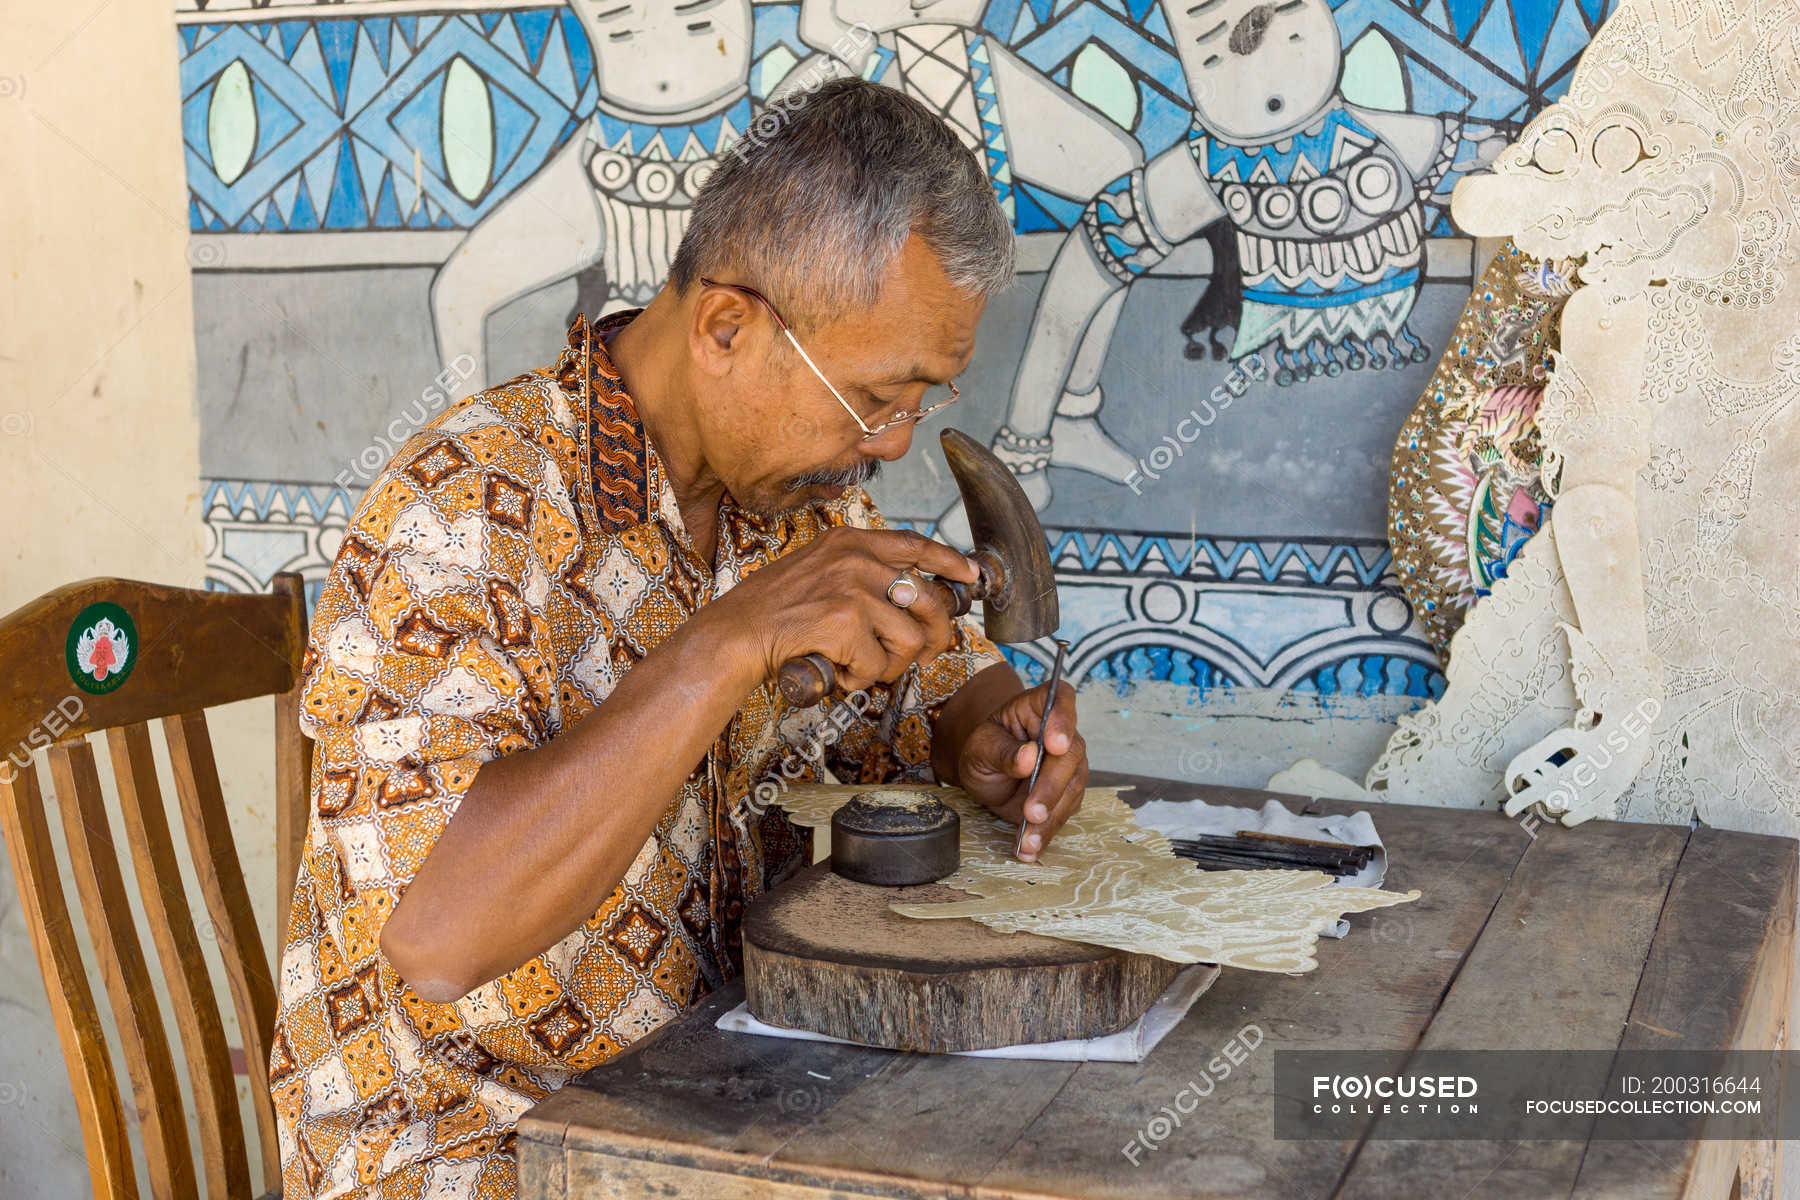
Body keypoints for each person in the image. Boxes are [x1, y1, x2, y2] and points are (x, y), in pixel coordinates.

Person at [271, 78, 1090, 1199]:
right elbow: (441, 935)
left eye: (922, 404)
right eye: (877, 399)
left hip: (723, 1105)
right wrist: (723, 645)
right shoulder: (463, 510)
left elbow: (940, 698)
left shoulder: (801, 500)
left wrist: (991, 736)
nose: (894, 447)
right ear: (725, 327)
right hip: (484, 1146)